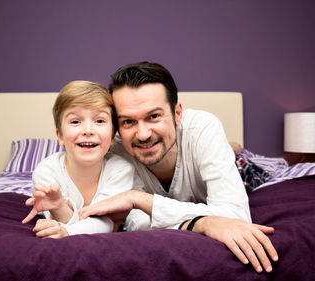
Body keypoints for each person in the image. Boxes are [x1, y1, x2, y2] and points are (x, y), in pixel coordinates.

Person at [79, 62, 278, 273]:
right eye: (128, 122)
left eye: (154, 116)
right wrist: (202, 224)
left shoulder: (204, 127)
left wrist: (139, 199)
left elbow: (236, 218)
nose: (143, 134)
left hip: (243, 171)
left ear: (177, 113)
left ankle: (233, 149)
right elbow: (135, 223)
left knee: (242, 164)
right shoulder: (115, 152)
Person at [22, 80, 137, 237]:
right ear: (60, 136)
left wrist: (65, 231)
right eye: (75, 121)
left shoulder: (121, 170)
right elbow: (60, 220)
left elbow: (106, 222)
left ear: (112, 136)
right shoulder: (46, 172)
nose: (88, 130)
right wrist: (58, 207)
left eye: (100, 121)